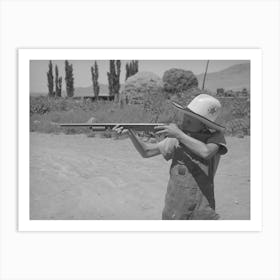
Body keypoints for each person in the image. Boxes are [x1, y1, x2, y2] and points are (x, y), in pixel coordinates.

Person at [113, 94, 228, 220]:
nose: (184, 121)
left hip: (201, 210)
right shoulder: (177, 138)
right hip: (174, 209)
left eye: (190, 119)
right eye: (186, 116)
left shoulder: (215, 138)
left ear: (203, 124)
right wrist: (130, 133)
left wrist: (178, 134)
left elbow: (206, 152)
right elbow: (146, 152)